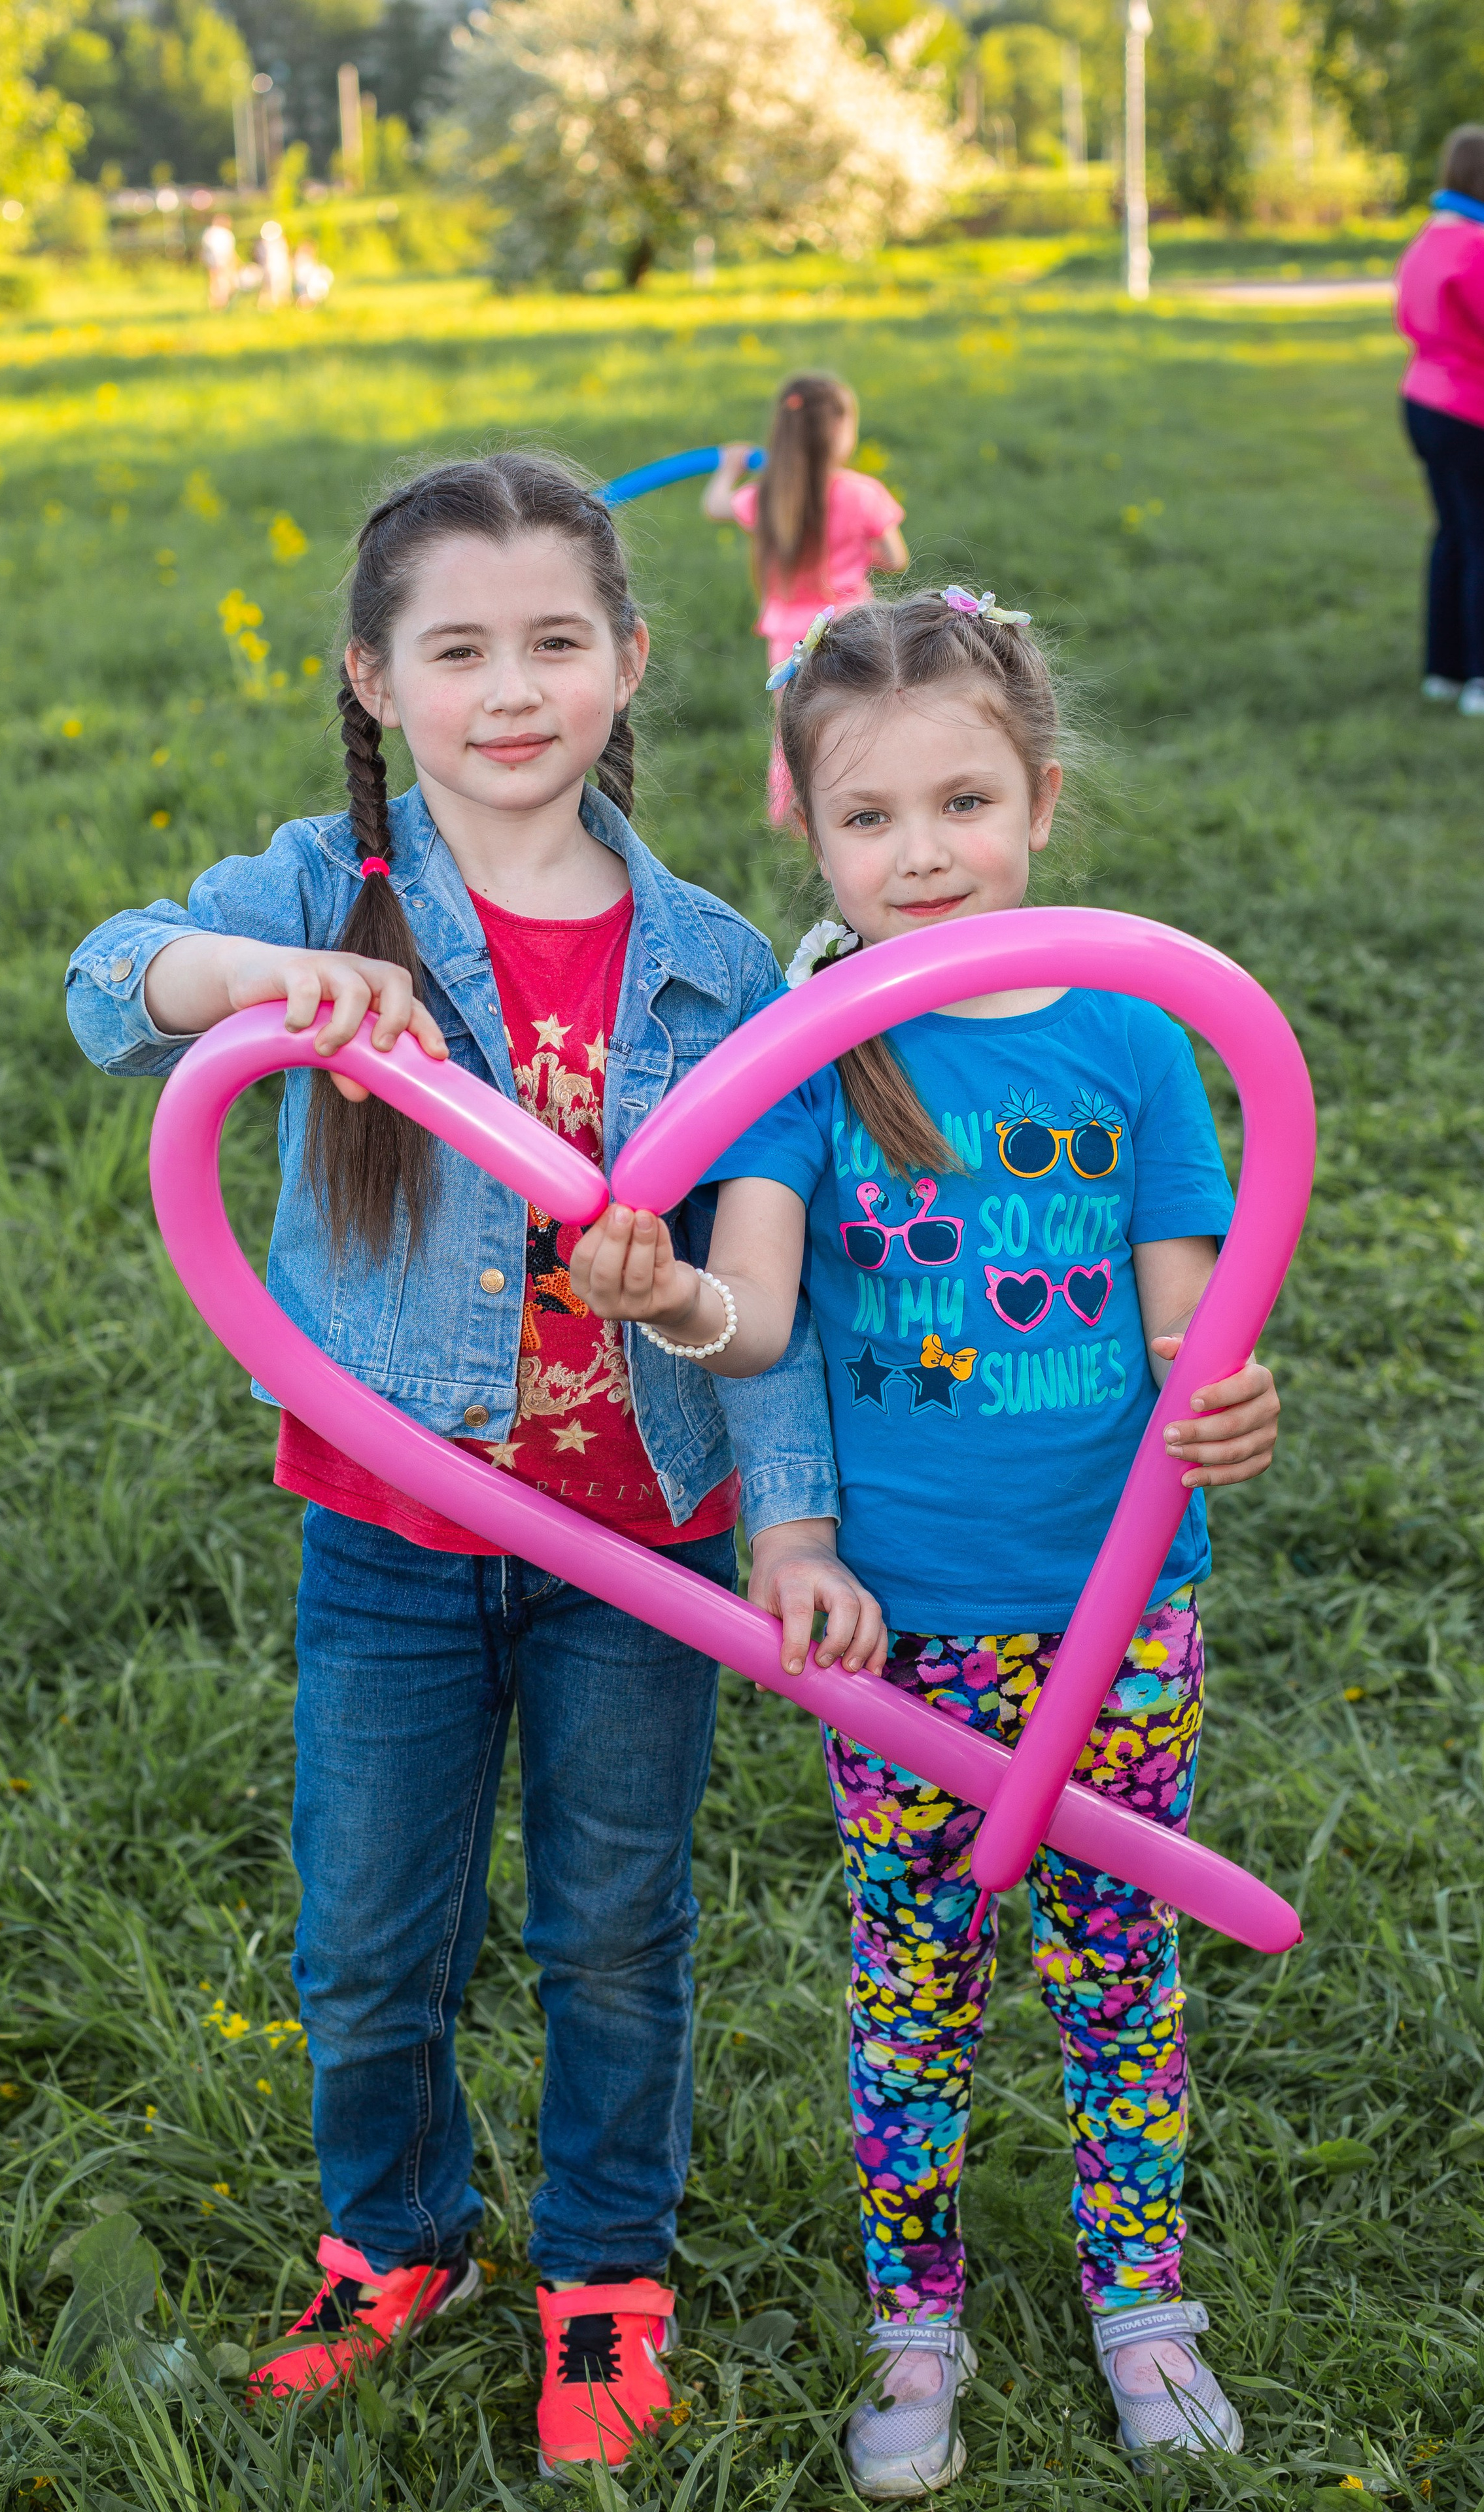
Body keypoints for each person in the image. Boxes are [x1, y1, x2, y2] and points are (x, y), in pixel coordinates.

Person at [64, 453, 882, 2481]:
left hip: (642, 1545)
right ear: (373, 678)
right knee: (366, 1925)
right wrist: (254, 982)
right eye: (454, 649)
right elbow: (105, 980)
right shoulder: (321, 898)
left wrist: (783, 1512)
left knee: (613, 1920)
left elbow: (778, 1292)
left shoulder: (707, 961)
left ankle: (603, 2274)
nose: (505, 689)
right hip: (394, 1540)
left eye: (551, 642)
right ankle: (391, 2234)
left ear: (626, 662)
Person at [570, 589, 1283, 2492]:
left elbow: (1182, 1323)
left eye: (962, 800)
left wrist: (1223, 1398)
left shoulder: (1134, 1033)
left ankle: (1144, 2304)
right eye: (870, 816)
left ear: (1039, 800)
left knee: (1117, 1962)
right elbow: (756, 1318)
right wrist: (674, 1321)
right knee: (915, 1973)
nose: (923, 852)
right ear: (803, 824)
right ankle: (915, 2317)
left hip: (1120, 1608)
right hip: (888, 1628)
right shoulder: (800, 1053)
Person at [703, 371, 908, 821]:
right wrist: (855, 553)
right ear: (839, 432)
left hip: (788, 638)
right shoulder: (861, 493)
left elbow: (715, 504)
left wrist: (729, 469)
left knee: (794, 728)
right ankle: (871, 802)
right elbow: (895, 556)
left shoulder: (770, 497)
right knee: (863, 713)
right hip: (853, 627)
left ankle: (794, 815)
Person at [1398, 124, 1484, 717]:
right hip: (1467, 409)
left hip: (1422, 402)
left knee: (1453, 532)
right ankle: (1480, 677)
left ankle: (1444, 672)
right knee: (1480, 539)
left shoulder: (1430, 235)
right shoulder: (1476, 244)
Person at [200, 212, 239, 311]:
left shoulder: (209, 233)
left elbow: (205, 251)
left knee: (215, 284)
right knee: (224, 283)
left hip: (213, 263)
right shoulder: (225, 234)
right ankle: (221, 304)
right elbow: (228, 252)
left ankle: (216, 305)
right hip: (223, 262)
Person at [255, 218, 292, 308]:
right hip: (272, 267)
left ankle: (283, 304)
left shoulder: (280, 242)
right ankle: (273, 305)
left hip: (280, 266)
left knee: (283, 286)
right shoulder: (264, 244)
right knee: (271, 287)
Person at [292, 238, 334, 308]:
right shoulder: (300, 268)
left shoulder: (316, 268)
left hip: (312, 288)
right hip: (303, 288)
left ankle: (308, 301)